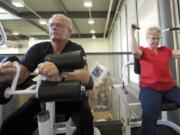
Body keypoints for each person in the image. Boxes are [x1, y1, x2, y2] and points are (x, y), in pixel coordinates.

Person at [0, 14, 94, 135]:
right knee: (9, 126)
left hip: (72, 97)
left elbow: (85, 76)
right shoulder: (38, 49)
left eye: (59, 25)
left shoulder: (76, 49)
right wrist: (9, 73)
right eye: (51, 25)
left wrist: (61, 76)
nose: (54, 27)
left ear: (69, 31)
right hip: (43, 97)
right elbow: (22, 73)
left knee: (86, 121)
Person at [130, 24, 180, 135]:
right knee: (149, 115)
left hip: (169, 87)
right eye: (153, 38)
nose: (156, 41)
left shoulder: (165, 50)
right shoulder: (143, 50)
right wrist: (132, 32)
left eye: (158, 38)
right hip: (150, 88)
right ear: (147, 38)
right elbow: (134, 51)